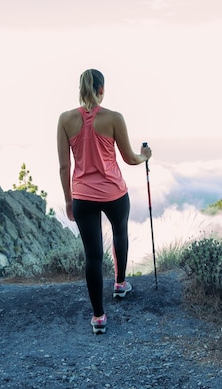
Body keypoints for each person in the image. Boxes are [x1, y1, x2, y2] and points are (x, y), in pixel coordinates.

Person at [57, 68, 152, 335]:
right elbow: (130, 158)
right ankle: (120, 284)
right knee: (120, 232)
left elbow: (64, 167)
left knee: (93, 256)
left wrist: (68, 200)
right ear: (102, 90)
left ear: (80, 89)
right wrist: (145, 156)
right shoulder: (114, 118)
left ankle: (99, 317)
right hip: (113, 192)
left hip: (83, 196)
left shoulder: (65, 120)